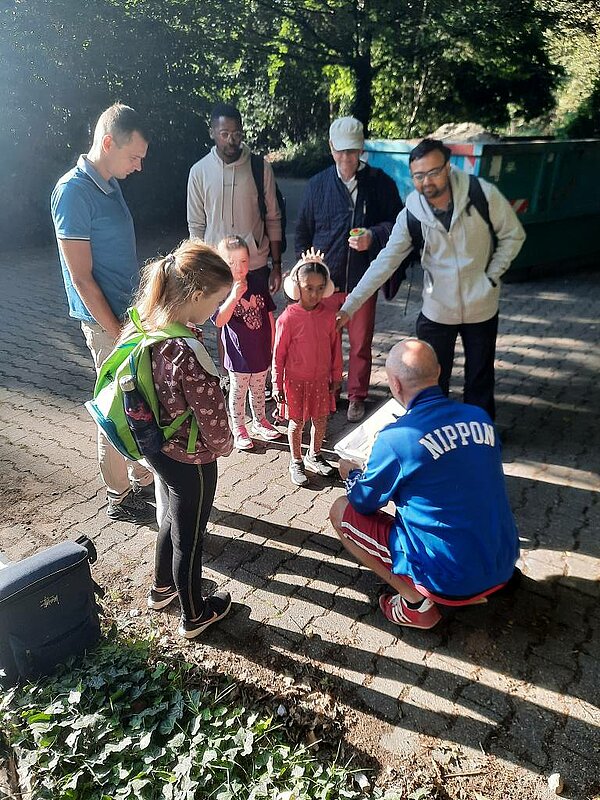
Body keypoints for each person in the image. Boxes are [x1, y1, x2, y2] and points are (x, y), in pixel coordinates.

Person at [329, 338, 520, 630]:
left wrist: (351, 474)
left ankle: (415, 604)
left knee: (340, 510)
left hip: (449, 577)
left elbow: (363, 501)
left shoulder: (396, 437)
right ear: (439, 371)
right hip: (502, 562)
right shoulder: (479, 417)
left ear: (395, 383)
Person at [336, 138, 526, 420]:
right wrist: (349, 307)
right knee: (431, 381)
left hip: (481, 306)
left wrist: (491, 275)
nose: (427, 181)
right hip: (437, 308)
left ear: (448, 168)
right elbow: (385, 262)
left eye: (434, 172)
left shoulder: (480, 194)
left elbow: (513, 234)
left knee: (480, 379)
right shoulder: (412, 212)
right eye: (419, 175)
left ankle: (481, 435)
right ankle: (436, 432)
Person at [120, 240, 234, 638]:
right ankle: (194, 614)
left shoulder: (151, 326)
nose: (216, 310)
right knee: (192, 538)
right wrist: (225, 447)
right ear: (198, 296)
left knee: (170, 516)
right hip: (193, 460)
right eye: (217, 301)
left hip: (157, 448)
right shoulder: (190, 353)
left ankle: (161, 588)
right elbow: (214, 420)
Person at [51, 103, 155, 524]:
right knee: (111, 405)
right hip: (103, 323)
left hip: (125, 314)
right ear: (108, 142)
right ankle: (118, 494)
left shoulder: (109, 184)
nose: (139, 167)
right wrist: (116, 332)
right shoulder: (73, 191)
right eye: (135, 156)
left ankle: (137, 475)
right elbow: (81, 278)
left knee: (133, 398)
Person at [295, 116, 402, 423]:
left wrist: (373, 235)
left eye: (352, 152)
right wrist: (307, 266)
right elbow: (302, 231)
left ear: (361, 149)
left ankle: (357, 395)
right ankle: (329, 392)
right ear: (331, 149)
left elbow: (399, 225)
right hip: (323, 284)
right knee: (324, 342)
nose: (346, 158)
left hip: (362, 280)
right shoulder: (318, 185)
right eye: (340, 151)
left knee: (360, 343)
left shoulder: (380, 183)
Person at [187, 102, 282, 296]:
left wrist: (277, 266)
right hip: (216, 266)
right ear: (212, 132)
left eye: (237, 134)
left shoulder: (260, 168)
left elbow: (273, 218)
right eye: (224, 134)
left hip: (254, 265)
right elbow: (196, 225)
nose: (231, 140)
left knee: (257, 324)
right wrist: (198, 266)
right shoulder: (199, 171)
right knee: (221, 324)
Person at [272, 249, 343, 486]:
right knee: (296, 423)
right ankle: (296, 460)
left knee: (321, 420)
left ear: (326, 287)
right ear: (297, 287)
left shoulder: (329, 316)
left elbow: (335, 348)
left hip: (321, 381)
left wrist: (336, 375)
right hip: (294, 382)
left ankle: (315, 454)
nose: (314, 293)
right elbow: (278, 354)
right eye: (308, 287)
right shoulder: (288, 318)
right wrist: (276, 382)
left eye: (319, 288)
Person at [213, 235, 281, 450]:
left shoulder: (258, 282)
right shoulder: (221, 288)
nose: (238, 268)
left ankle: (260, 421)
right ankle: (239, 426)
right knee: (238, 392)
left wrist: (272, 344)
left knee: (260, 389)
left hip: (260, 352)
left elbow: (269, 314)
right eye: (231, 262)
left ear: (249, 260)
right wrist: (233, 297)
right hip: (238, 356)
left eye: (243, 261)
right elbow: (218, 320)